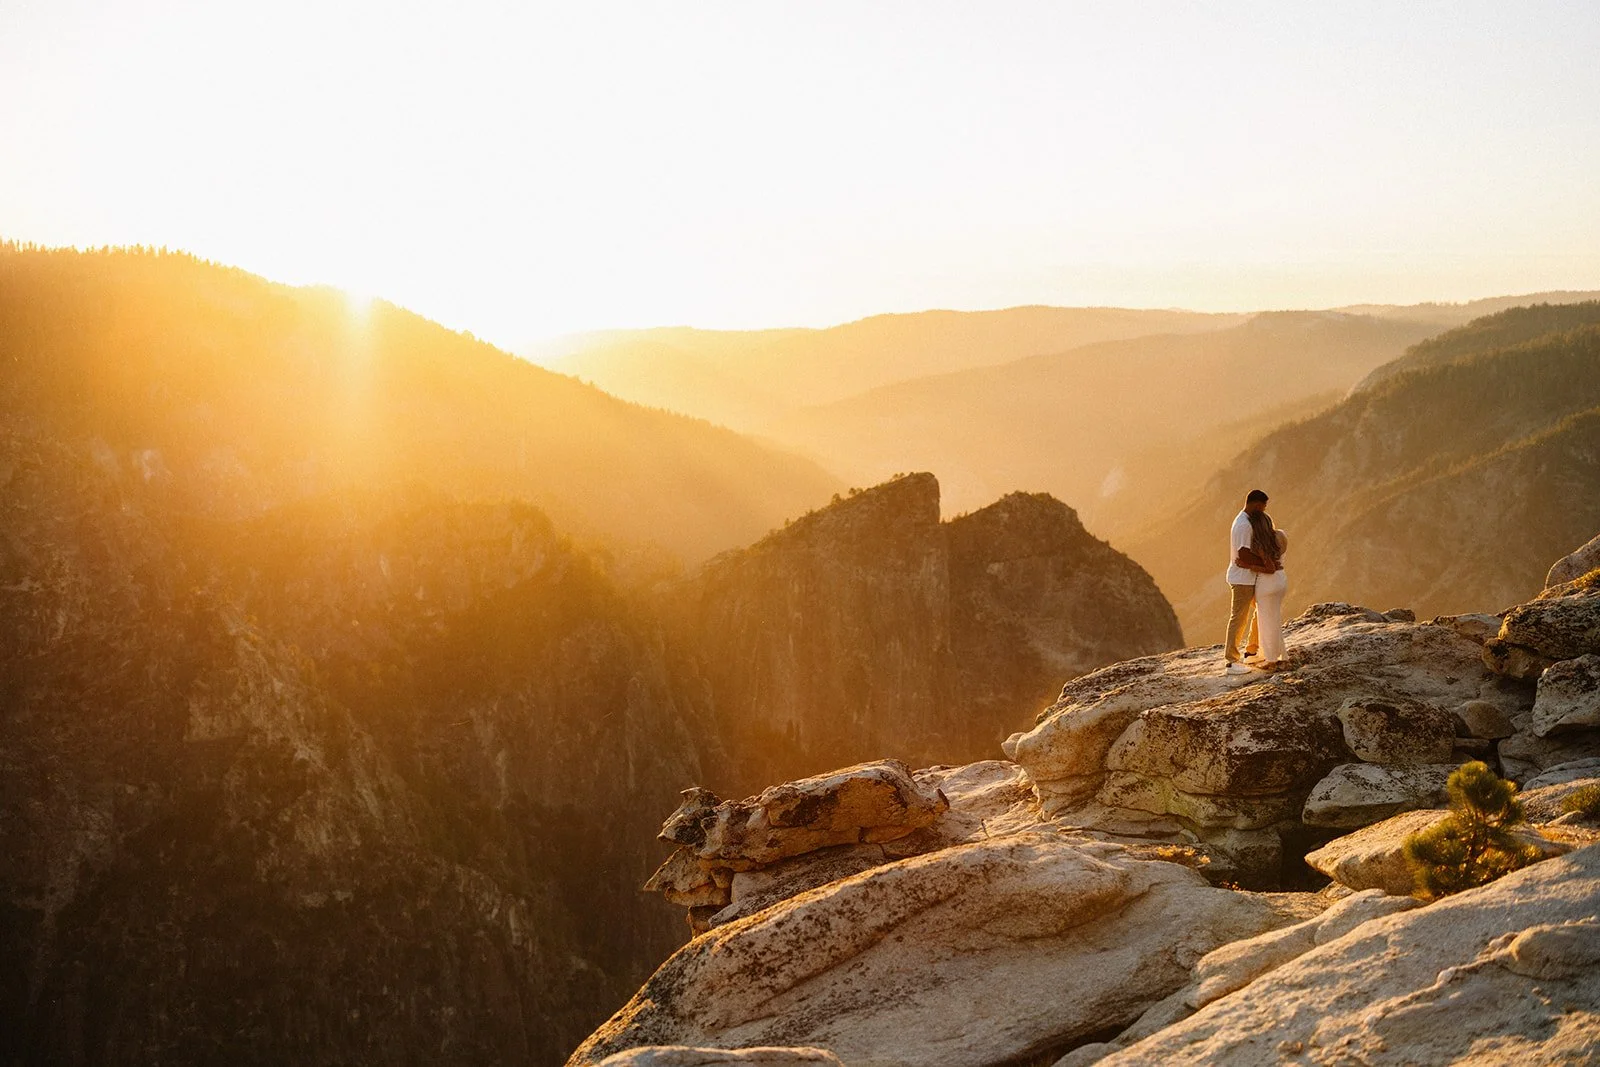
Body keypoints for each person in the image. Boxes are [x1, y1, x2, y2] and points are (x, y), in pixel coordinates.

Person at [1223, 489, 1269, 674]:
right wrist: (1266, 563)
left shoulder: (1246, 521)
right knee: (1239, 617)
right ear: (1256, 505)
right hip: (1241, 579)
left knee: (1262, 609)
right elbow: (1243, 553)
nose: (1264, 510)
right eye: (1263, 506)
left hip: (1248, 577)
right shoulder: (1243, 525)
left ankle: (1251, 650)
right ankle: (1231, 661)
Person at [1248, 510, 1289, 671]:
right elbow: (1277, 562)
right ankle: (1282, 657)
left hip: (1268, 583)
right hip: (1281, 580)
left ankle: (1270, 659)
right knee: (1275, 619)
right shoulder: (1281, 535)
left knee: (1265, 621)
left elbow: (1270, 568)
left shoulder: (1260, 543)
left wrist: (1251, 565)